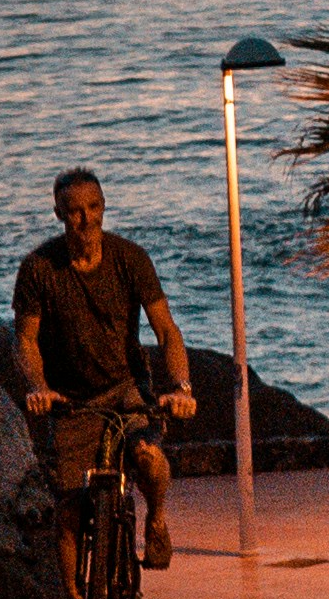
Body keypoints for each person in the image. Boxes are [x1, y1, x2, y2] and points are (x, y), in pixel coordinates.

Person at [11, 167, 194, 569]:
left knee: (148, 458)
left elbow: (166, 331)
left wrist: (181, 387)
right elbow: (25, 340)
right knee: (69, 516)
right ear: (58, 214)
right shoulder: (39, 268)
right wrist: (38, 386)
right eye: (74, 211)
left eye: (93, 207)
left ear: (104, 207)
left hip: (126, 387)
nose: (86, 219)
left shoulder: (130, 259)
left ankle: (158, 520)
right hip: (70, 399)